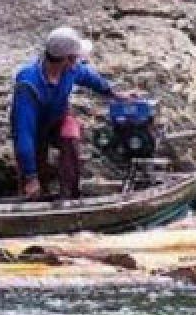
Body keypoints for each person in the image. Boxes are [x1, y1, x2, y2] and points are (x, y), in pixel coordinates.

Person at [11, 26, 117, 200]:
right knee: (34, 175)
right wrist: (31, 177)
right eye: (75, 58)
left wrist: (113, 93)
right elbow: (24, 133)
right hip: (34, 128)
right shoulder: (28, 83)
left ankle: (70, 195)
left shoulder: (71, 70)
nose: (77, 62)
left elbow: (89, 77)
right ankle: (35, 196)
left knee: (70, 133)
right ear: (67, 59)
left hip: (58, 119)